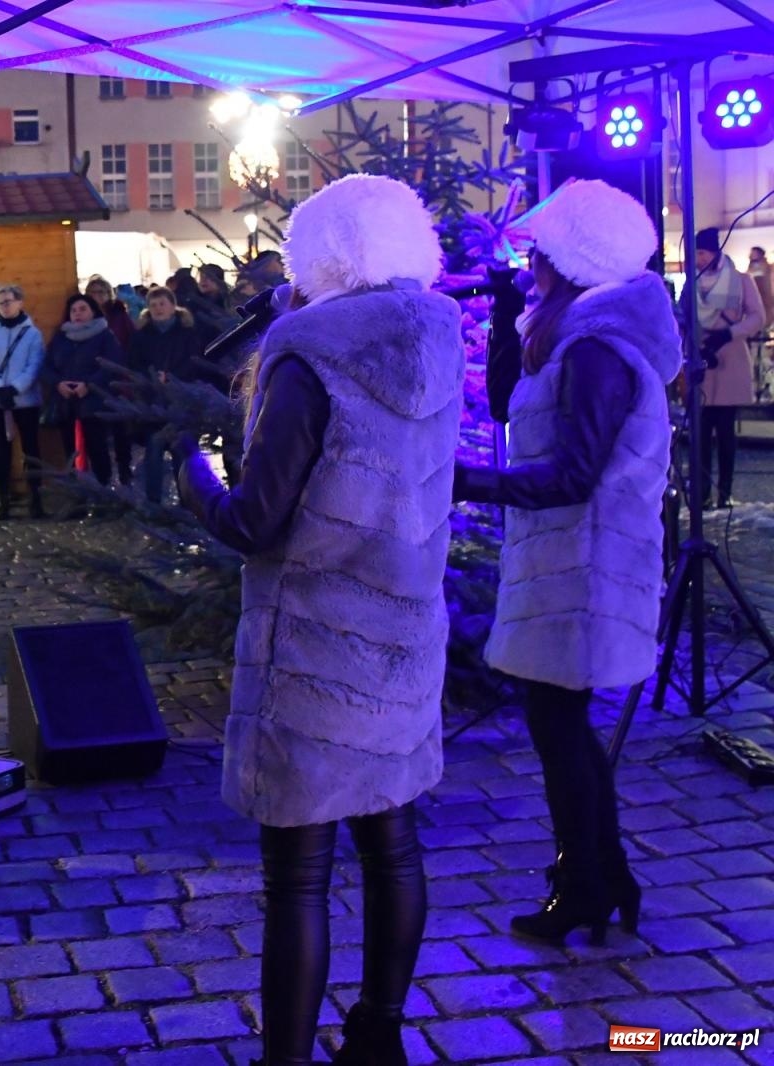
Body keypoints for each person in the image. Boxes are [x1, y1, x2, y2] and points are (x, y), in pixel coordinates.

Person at [176, 173, 464, 1066]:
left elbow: (254, 522)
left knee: (299, 876)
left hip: (317, 649)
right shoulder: (436, 336)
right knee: (393, 839)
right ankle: (378, 1036)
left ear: (320, 258)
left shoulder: (308, 355)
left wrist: (195, 475)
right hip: (404, 637)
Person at [455, 179, 682, 949]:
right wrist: (498, 314)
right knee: (564, 728)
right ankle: (603, 874)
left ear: (570, 260)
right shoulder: (571, 336)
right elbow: (503, 404)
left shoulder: (596, 351)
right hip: (562, 566)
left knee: (559, 730)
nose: (529, 264)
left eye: (539, 254)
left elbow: (572, 474)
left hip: (581, 574)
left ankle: (583, 883)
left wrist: (459, 480)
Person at [691, 227, 766, 508]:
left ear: (714, 253)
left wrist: (730, 333)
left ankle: (724, 493)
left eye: (701, 253)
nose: (697, 258)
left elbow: (757, 317)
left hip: (730, 359)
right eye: (696, 252)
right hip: (702, 360)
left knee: (724, 433)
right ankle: (702, 495)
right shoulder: (693, 283)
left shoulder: (740, 280)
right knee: (700, 434)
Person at [130, 285, 207, 503]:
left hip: (182, 400)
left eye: (162, 303)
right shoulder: (141, 336)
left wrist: (172, 377)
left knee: (183, 453)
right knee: (153, 452)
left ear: (173, 306)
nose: (158, 309)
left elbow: (195, 361)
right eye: (153, 305)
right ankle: (154, 502)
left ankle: (189, 502)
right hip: (152, 402)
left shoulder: (188, 333)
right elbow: (133, 363)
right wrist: (151, 377)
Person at [0, 284, 47, 520]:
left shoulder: (32, 334)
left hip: (25, 400)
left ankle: (36, 498)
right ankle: (3, 498)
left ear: (20, 303)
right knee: (0, 452)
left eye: (8, 301)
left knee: (31, 449)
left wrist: (16, 388)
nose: (5, 307)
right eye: (0, 303)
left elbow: (35, 364)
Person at [42, 293, 120, 485]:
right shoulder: (61, 337)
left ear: (93, 312)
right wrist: (57, 383)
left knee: (98, 449)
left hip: (94, 403)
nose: (77, 313)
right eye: (73, 310)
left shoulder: (105, 336)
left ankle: (103, 492)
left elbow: (112, 365)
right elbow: (46, 366)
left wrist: (89, 385)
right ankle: (78, 495)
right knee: (71, 451)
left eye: (83, 309)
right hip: (66, 404)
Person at [85, 275, 137, 486]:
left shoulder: (119, 315)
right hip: (93, 381)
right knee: (97, 435)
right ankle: (103, 478)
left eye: (101, 292)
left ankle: (124, 470)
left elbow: (131, 342)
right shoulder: (84, 316)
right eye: (93, 292)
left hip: (118, 379)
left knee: (120, 430)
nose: (98, 296)